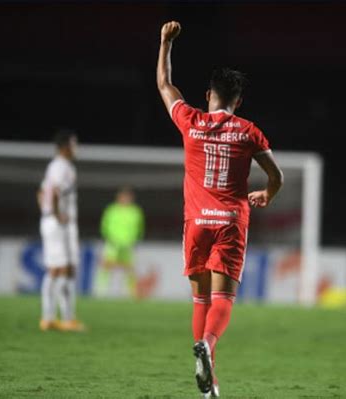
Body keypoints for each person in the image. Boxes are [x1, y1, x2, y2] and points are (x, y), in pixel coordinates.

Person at [157, 21, 284, 398]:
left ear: (208, 94)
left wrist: (165, 42)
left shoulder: (191, 123)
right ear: (238, 101)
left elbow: (165, 85)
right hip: (230, 222)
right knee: (223, 300)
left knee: (199, 299)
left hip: (196, 222)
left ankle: (208, 388)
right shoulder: (248, 131)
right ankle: (208, 346)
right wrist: (268, 194)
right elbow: (276, 176)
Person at [38, 130, 85, 332]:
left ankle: (62, 317)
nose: (76, 148)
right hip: (59, 223)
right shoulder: (61, 166)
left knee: (66, 268)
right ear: (65, 146)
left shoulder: (57, 166)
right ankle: (53, 317)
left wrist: (47, 212)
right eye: (74, 144)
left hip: (58, 222)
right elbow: (54, 191)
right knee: (60, 269)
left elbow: (41, 192)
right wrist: (55, 214)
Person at [98, 187, 145, 297]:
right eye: (123, 197)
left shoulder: (135, 211)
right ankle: (100, 291)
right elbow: (104, 225)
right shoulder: (111, 210)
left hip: (129, 244)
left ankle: (131, 292)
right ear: (118, 197)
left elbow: (140, 228)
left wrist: (135, 239)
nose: (125, 199)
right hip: (112, 242)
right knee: (107, 265)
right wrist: (109, 237)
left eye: (128, 197)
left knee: (129, 267)